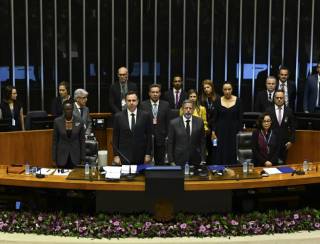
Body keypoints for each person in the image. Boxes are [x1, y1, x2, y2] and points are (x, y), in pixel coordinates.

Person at [112, 91, 152, 165]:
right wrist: (116, 155)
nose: (131, 102)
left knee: (140, 176)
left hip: (141, 155)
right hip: (124, 155)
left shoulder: (145, 115)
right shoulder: (118, 116)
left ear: (137, 101)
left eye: (133, 100)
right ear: (125, 102)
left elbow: (149, 136)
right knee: (124, 176)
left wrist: (148, 154)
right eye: (129, 100)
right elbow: (115, 137)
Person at [211, 82, 242, 165]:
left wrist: (240, 132)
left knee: (232, 151)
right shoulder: (218, 100)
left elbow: (240, 118)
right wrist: (213, 132)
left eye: (229, 89)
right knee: (221, 152)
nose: (227, 91)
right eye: (225, 89)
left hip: (234, 132)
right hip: (220, 132)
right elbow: (214, 118)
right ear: (222, 90)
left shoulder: (238, 100)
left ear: (232, 90)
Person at [167, 99, 206, 166]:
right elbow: (170, 143)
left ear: (193, 110)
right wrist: (171, 160)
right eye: (186, 108)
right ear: (182, 109)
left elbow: (202, 142)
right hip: (178, 159)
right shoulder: (173, 123)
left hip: (195, 158)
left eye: (190, 108)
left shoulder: (200, 122)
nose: (188, 110)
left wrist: (203, 159)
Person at [140, 84, 170, 165]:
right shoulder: (143, 105)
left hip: (161, 138)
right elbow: (141, 123)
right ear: (149, 93)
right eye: (153, 92)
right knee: (147, 163)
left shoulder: (166, 104)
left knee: (160, 163)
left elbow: (168, 122)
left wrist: (167, 135)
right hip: (147, 139)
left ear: (160, 93)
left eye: (157, 92)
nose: (155, 94)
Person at [52, 101, 86, 168]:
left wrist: (83, 158)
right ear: (63, 110)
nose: (68, 111)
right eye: (66, 109)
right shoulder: (57, 121)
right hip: (62, 156)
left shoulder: (79, 121)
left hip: (75, 156)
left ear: (73, 109)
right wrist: (53, 159)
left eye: (70, 109)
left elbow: (82, 141)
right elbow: (54, 141)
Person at [266, 90, 296, 163]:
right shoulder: (269, 110)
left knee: (282, 165)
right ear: (274, 98)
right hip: (271, 143)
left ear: (284, 98)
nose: (279, 99)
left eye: (281, 98)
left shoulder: (289, 111)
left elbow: (293, 127)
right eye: (277, 97)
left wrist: (291, 141)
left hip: (284, 144)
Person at [200, 79, 220, 164]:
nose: (206, 89)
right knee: (205, 147)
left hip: (215, 127)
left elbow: (218, 114)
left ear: (212, 87)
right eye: (204, 88)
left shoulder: (218, 98)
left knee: (214, 148)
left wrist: (213, 129)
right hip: (204, 127)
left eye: (208, 87)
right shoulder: (201, 99)